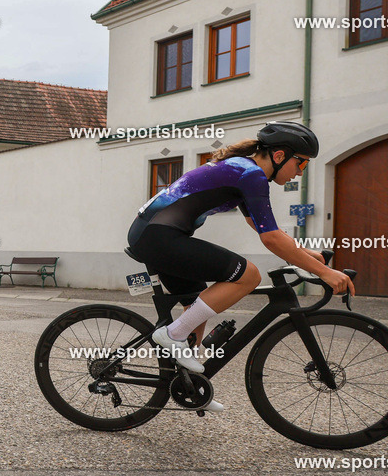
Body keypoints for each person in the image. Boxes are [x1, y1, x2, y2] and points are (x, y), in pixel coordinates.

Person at [126, 122, 354, 411]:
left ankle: (189, 385)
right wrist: (325, 272)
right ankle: (171, 335)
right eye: (302, 164)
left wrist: (303, 253)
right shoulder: (250, 175)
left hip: (156, 235)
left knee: (196, 307)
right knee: (248, 275)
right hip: (157, 237)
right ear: (280, 155)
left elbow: (260, 226)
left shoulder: (244, 170)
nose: (300, 172)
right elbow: (271, 238)